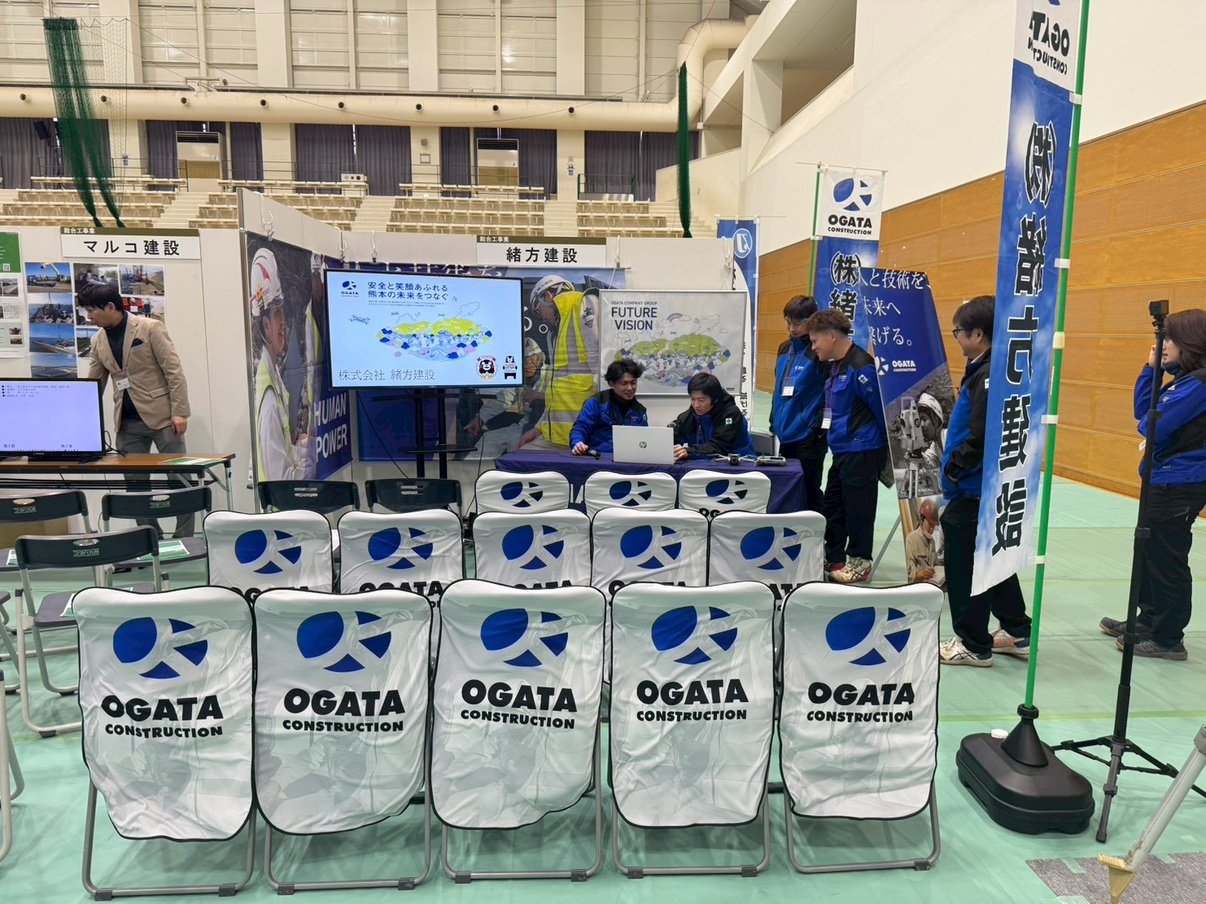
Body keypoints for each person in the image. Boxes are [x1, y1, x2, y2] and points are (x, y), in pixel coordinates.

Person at [1099, 309, 1206, 661]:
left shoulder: (1199, 383)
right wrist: (1152, 369)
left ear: (1190, 341)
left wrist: (1157, 378)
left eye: (1169, 339)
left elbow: (1152, 424)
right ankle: (1148, 620)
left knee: (1166, 558)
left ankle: (1168, 638)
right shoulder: (1184, 379)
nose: (1162, 345)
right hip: (1164, 478)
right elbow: (1143, 410)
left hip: (1180, 483)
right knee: (1148, 551)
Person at [938, 295, 1031, 667]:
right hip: (985, 486)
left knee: (965, 566)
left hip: (975, 487)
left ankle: (973, 643)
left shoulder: (990, 374)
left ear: (978, 334)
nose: (957, 338)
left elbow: (982, 434)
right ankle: (1017, 629)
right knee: (993, 558)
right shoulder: (994, 368)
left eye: (958, 332)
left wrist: (954, 468)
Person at [79, 280, 193, 536]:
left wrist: (180, 411)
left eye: (92, 310)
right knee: (135, 485)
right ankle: (149, 536)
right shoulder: (98, 341)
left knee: (179, 479)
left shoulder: (150, 328)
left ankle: (185, 539)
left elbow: (174, 371)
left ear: (110, 307)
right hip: (126, 423)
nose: (89, 316)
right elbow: (93, 384)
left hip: (164, 418)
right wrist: (78, 419)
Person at [801, 307, 887, 584]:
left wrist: (878, 453)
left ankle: (861, 563)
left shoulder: (862, 368)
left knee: (859, 510)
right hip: (841, 451)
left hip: (862, 451)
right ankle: (834, 558)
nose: (813, 347)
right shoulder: (836, 365)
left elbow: (883, 414)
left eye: (815, 340)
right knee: (834, 506)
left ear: (832, 336)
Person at [250, 247, 311, 481]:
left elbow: (282, 452)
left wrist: (303, 448)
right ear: (265, 325)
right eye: (276, 314)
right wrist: (310, 462)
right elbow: (281, 481)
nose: (283, 323)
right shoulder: (268, 401)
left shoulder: (272, 376)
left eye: (282, 312)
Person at [524, 275, 599, 448]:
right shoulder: (555, 334)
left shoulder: (585, 303)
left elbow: (602, 368)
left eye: (539, 311)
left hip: (585, 436)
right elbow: (556, 394)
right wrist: (538, 428)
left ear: (547, 296)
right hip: (559, 436)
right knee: (520, 455)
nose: (542, 318)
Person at [770, 295, 828, 512]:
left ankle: (817, 531)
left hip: (809, 437)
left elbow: (829, 394)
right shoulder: (784, 348)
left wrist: (818, 429)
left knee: (809, 491)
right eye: (788, 322)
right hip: (786, 434)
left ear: (812, 320)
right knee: (788, 489)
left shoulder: (819, 351)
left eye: (797, 323)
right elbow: (779, 389)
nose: (792, 329)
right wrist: (774, 421)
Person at [569, 358, 647, 455]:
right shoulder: (596, 403)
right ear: (611, 384)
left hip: (628, 458)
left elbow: (643, 439)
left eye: (633, 383)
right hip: (597, 457)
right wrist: (578, 443)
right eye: (624, 383)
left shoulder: (640, 410)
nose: (630, 388)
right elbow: (581, 427)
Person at [672, 372, 755, 460]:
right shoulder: (690, 415)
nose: (696, 405)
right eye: (693, 399)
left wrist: (689, 451)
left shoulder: (731, 414)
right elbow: (674, 435)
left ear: (715, 399)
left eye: (701, 400)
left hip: (740, 463)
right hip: (705, 464)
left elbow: (719, 447)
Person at [905, 498, 944, 585]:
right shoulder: (911, 539)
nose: (932, 529)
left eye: (934, 525)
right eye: (930, 524)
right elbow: (909, 573)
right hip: (918, 586)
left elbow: (935, 563)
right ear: (922, 519)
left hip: (932, 583)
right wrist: (921, 574)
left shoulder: (932, 541)